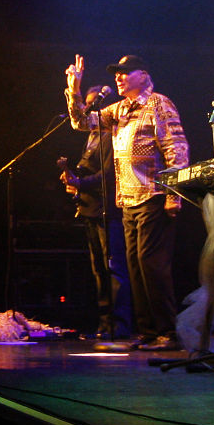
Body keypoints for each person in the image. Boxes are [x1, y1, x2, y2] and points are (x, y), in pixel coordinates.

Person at [65, 54, 189, 348]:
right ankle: (147, 333)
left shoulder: (159, 104)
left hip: (153, 196)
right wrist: (75, 89)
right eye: (116, 73)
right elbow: (82, 122)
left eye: (125, 72)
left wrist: (174, 195)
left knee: (151, 264)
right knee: (135, 265)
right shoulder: (119, 109)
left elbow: (177, 150)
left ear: (143, 75)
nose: (118, 77)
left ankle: (168, 333)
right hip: (128, 201)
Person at [58, 85, 132, 339]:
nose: (88, 109)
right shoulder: (91, 135)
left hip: (107, 210)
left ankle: (120, 324)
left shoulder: (114, 135)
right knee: (99, 270)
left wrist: (82, 183)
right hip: (89, 208)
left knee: (114, 269)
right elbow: (89, 170)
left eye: (92, 104)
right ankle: (104, 324)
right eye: (86, 104)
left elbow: (110, 174)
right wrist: (73, 180)